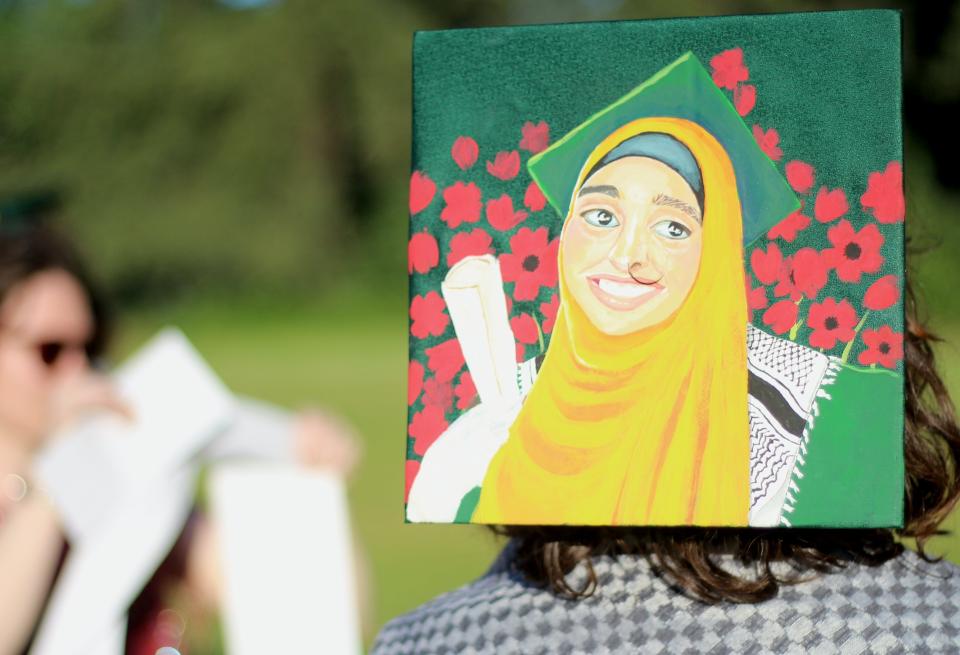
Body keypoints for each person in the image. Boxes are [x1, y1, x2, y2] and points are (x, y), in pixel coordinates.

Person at [0, 201, 361, 654]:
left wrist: (312, 482)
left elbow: (308, 615)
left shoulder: (126, 470)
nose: (77, 374)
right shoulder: (67, 479)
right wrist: (56, 479)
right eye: (49, 351)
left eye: (88, 348)